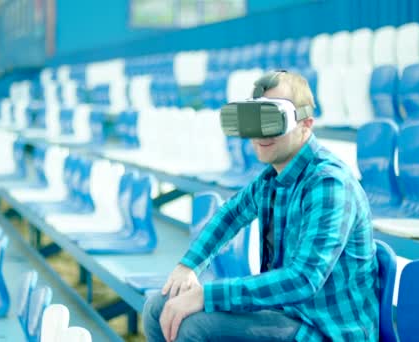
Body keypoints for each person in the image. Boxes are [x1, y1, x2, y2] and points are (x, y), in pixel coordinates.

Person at [143, 71, 379, 341]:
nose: (260, 132)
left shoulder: (329, 185)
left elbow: (304, 279)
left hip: (325, 329)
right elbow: (230, 215)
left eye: (273, 119)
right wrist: (189, 265)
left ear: (306, 125)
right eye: (255, 119)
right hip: (287, 314)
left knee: (195, 326)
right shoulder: (271, 178)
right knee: (156, 309)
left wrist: (205, 295)